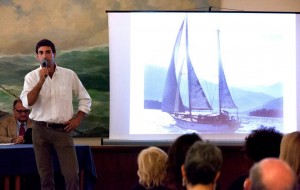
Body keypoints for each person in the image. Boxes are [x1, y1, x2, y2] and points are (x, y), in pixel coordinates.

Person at [20, 39, 92, 190]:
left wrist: (77, 119)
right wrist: (40, 81)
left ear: (54, 54)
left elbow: (85, 98)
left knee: (72, 174)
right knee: (45, 176)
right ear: (37, 57)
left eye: (48, 52)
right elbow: (27, 103)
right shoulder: (31, 77)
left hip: (62, 131)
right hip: (39, 130)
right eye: (41, 53)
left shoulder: (69, 75)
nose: (44, 56)